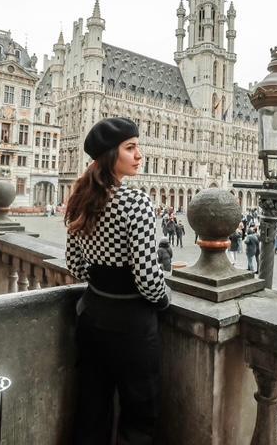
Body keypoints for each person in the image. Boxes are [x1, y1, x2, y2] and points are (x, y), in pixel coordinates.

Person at [64, 117, 170, 443]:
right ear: (111, 155)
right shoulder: (136, 202)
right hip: (131, 326)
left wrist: (103, 277)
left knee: (91, 410)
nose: (139, 155)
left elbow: (75, 265)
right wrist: (164, 299)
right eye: (130, 147)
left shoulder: (79, 198)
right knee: (139, 417)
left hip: (91, 316)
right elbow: (147, 277)